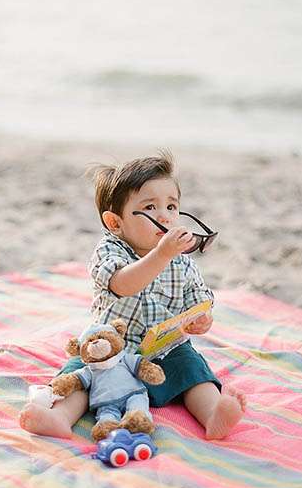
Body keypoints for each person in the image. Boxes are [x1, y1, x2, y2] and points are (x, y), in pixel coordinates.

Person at [19, 151, 245, 441]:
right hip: (110, 349)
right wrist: (161, 254)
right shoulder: (109, 251)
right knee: (79, 376)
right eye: (150, 207)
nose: (165, 215)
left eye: (172, 206)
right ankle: (58, 417)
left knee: (193, 369)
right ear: (115, 223)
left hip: (163, 350)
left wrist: (202, 319)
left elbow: (198, 300)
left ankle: (214, 414)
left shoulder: (183, 261)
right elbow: (124, 284)